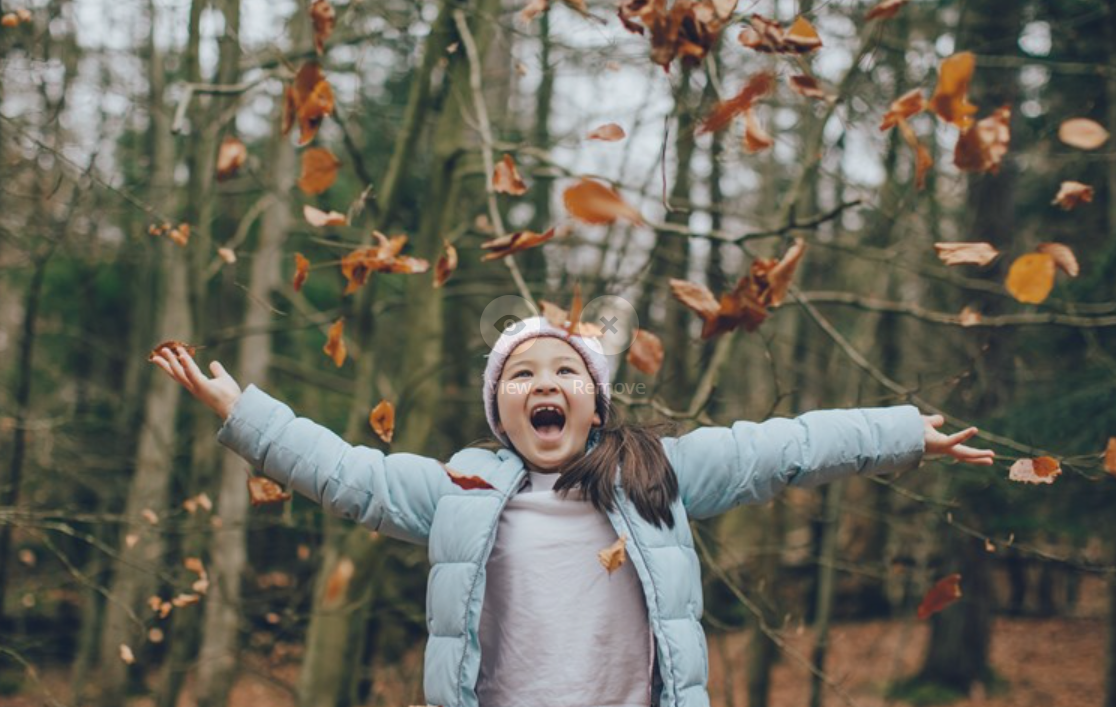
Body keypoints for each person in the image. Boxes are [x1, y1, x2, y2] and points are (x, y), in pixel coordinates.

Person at [151, 315, 993, 707]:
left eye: (564, 372)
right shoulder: (461, 491)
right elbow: (348, 473)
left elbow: (782, 446)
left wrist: (900, 431)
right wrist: (242, 415)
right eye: (521, 375)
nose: (543, 384)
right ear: (499, 411)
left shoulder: (655, 474)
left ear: (594, 403)